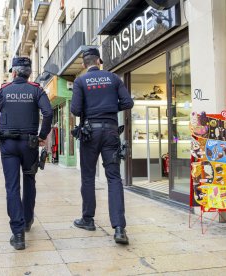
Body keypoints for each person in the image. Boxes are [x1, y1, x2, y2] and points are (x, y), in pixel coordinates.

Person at [0, 57, 52, 250]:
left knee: (12, 187)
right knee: (29, 181)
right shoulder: (37, 90)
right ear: (29, 73)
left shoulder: (3, 91)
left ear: (13, 73)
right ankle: (28, 220)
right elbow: (48, 113)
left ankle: (18, 234)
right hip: (29, 144)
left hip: (8, 146)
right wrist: (41, 136)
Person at [70, 48, 134, 245]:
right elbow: (128, 102)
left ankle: (88, 220)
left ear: (83, 64)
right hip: (111, 133)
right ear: (99, 60)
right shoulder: (113, 78)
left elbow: (75, 110)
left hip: (90, 133)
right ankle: (119, 229)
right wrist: (109, 108)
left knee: (88, 176)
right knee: (114, 178)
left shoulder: (80, 81)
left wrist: (93, 110)